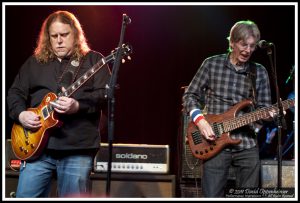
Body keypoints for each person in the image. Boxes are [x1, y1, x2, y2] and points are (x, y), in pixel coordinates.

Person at [7, 10, 111, 197]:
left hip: (77, 149)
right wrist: (21, 114)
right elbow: (15, 92)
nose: (59, 40)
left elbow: (106, 95)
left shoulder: (95, 61)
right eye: (54, 36)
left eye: (64, 35)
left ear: (76, 35)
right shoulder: (35, 63)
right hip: (36, 149)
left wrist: (78, 106)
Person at [182, 20, 274, 197]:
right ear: (232, 42)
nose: (248, 50)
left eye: (252, 46)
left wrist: (269, 115)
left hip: (247, 144)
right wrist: (200, 122)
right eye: (243, 44)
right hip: (213, 142)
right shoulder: (211, 64)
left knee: (248, 196)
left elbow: (264, 108)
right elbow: (189, 96)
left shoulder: (259, 72)